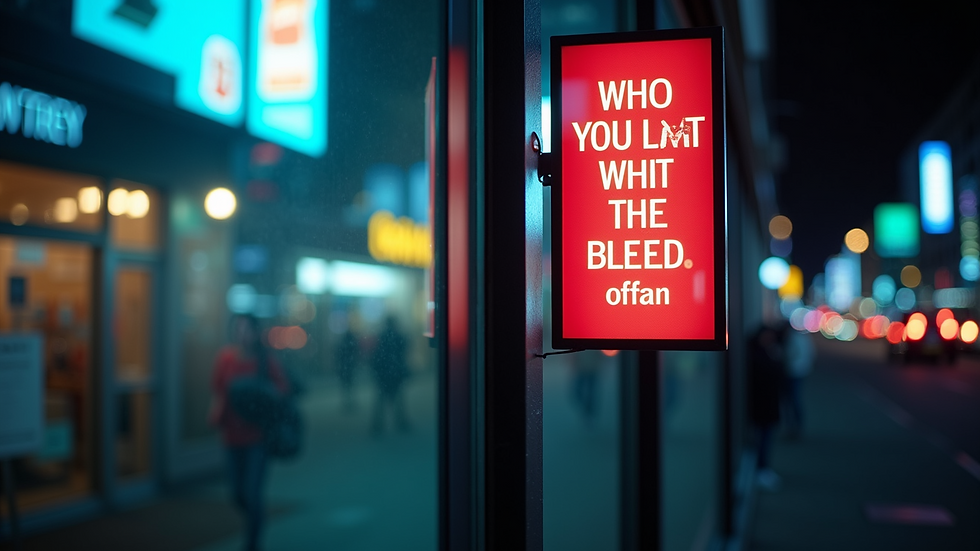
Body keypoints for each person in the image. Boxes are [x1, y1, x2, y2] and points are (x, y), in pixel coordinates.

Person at [209, 314, 289, 551]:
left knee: (252, 493)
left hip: (257, 438)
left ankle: (253, 543)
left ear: (256, 333)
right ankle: (256, 521)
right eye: (238, 328)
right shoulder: (225, 358)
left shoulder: (265, 361)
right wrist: (215, 416)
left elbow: (282, 390)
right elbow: (217, 390)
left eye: (246, 329)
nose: (242, 333)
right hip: (231, 437)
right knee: (237, 493)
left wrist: (263, 394)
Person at [747, 323, 786, 491]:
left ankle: (762, 469)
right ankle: (760, 470)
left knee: (764, 438)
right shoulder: (760, 357)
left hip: (767, 406)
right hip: (762, 407)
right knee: (762, 439)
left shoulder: (767, 353)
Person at [370, 316, 410, 434]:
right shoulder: (398, 336)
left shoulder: (382, 337)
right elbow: (403, 351)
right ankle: (401, 422)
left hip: (383, 373)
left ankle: (377, 425)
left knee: (381, 399)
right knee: (398, 398)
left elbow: (376, 356)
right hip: (395, 372)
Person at [782, 325, 815, 438]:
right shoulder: (802, 339)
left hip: (792, 372)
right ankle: (795, 426)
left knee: (793, 400)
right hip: (798, 372)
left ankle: (795, 427)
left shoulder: (793, 339)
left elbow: (791, 355)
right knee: (794, 400)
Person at [335, 326, 361, 412]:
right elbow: (356, 354)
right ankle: (350, 402)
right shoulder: (352, 344)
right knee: (350, 385)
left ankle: (346, 403)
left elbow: (338, 356)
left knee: (345, 386)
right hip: (350, 367)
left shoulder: (342, 344)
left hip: (344, 367)